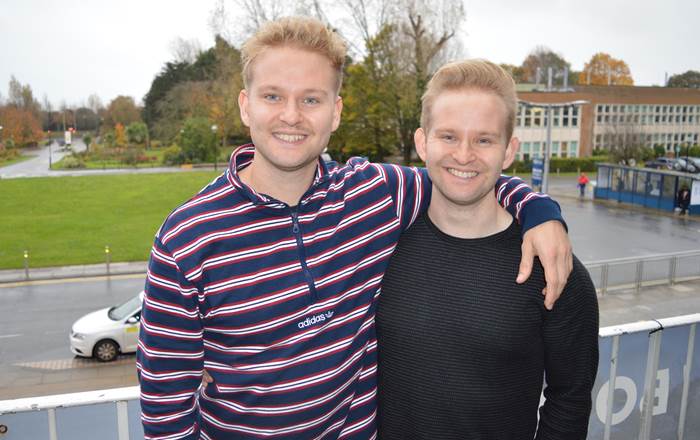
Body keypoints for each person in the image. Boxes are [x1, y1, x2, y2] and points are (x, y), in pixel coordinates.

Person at [137, 17, 573, 439]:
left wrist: (538, 209)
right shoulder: (187, 237)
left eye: (311, 99)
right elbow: (164, 406)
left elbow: (463, 173)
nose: (292, 116)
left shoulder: (374, 195)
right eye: (272, 96)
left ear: (336, 112)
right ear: (245, 105)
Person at [375, 60, 599, 439]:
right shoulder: (380, 245)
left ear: (509, 150)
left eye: (483, 139)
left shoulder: (552, 268)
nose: (464, 155)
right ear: (421, 142)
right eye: (448, 136)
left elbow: (570, 397)